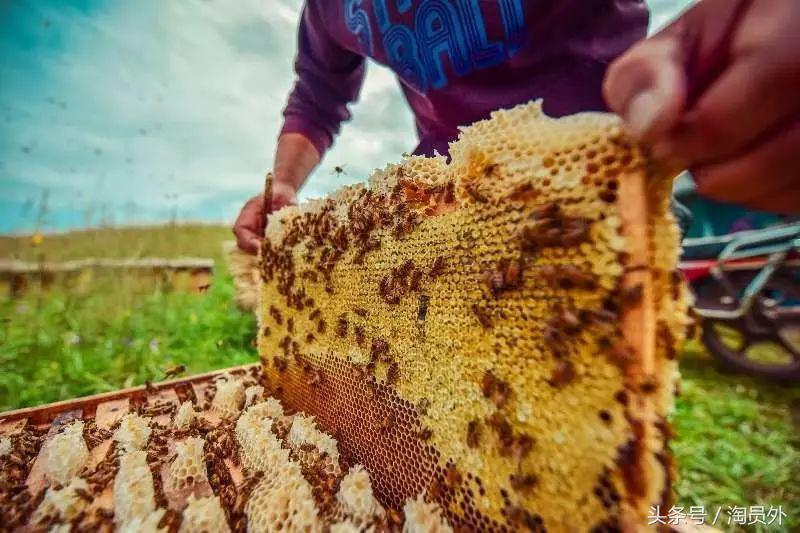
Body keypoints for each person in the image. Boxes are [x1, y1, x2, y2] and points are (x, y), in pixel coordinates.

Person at [234, 0, 799, 254]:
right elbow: (319, 92)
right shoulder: (327, 8)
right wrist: (284, 183)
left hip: (590, 170)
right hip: (447, 194)